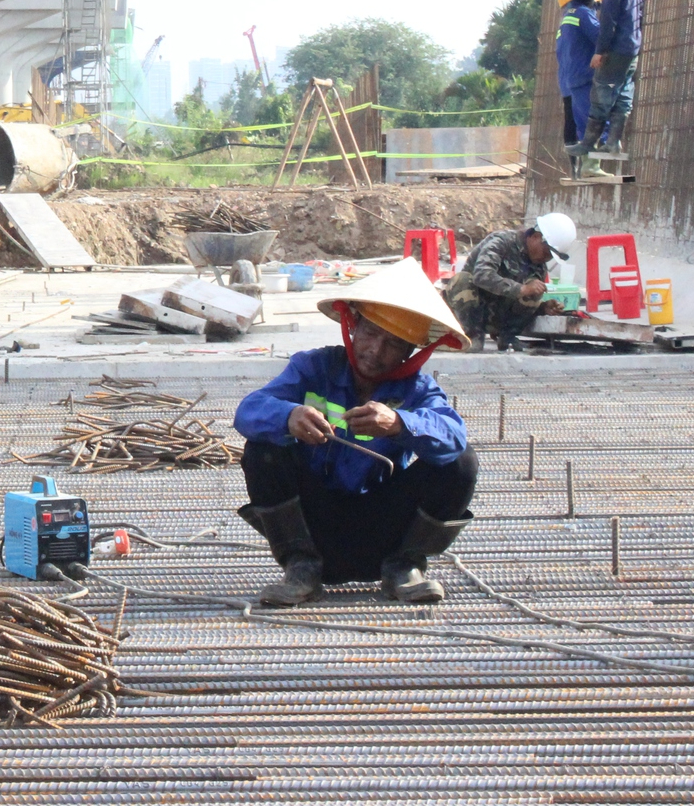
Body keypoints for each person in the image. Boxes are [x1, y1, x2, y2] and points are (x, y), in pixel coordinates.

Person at [233, 258, 476, 606]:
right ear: (353, 325)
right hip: (315, 531)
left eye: (393, 343)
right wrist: (289, 416)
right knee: (262, 449)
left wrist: (400, 424)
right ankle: (301, 568)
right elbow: (248, 410)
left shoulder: (418, 389)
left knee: (460, 462)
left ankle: (405, 566)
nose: (376, 351)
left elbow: (454, 437)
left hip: (384, 534)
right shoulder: (313, 368)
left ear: (412, 353)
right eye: (371, 333)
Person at [566, 0, 645, 174]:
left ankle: (588, 143)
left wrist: (600, 51)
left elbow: (609, 19)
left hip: (616, 47)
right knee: (623, 95)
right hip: (633, 45)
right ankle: (613, 142)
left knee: (601, 94)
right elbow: (641, 14)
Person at [444, 213, 575, 351]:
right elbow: (481, 275)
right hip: (469, 311)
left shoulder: (538, 266)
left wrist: (542, 308)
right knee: (462, 280)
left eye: (550, 257)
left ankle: (507, 337)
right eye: (547, 252)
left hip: (494, 315)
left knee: (535, 288)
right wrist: (522, 289)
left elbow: (524, 305)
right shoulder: (502, 242)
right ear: (536, 236)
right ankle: (471, 336)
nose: (546, 258)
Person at [554, 0, 601, 171]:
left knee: (572, 123)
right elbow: (599, 35)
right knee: (588, 118)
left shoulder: (567, 19)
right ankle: (588, 165)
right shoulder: (582, 14)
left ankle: (575, 168)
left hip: (567, 80)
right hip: (581, 77)